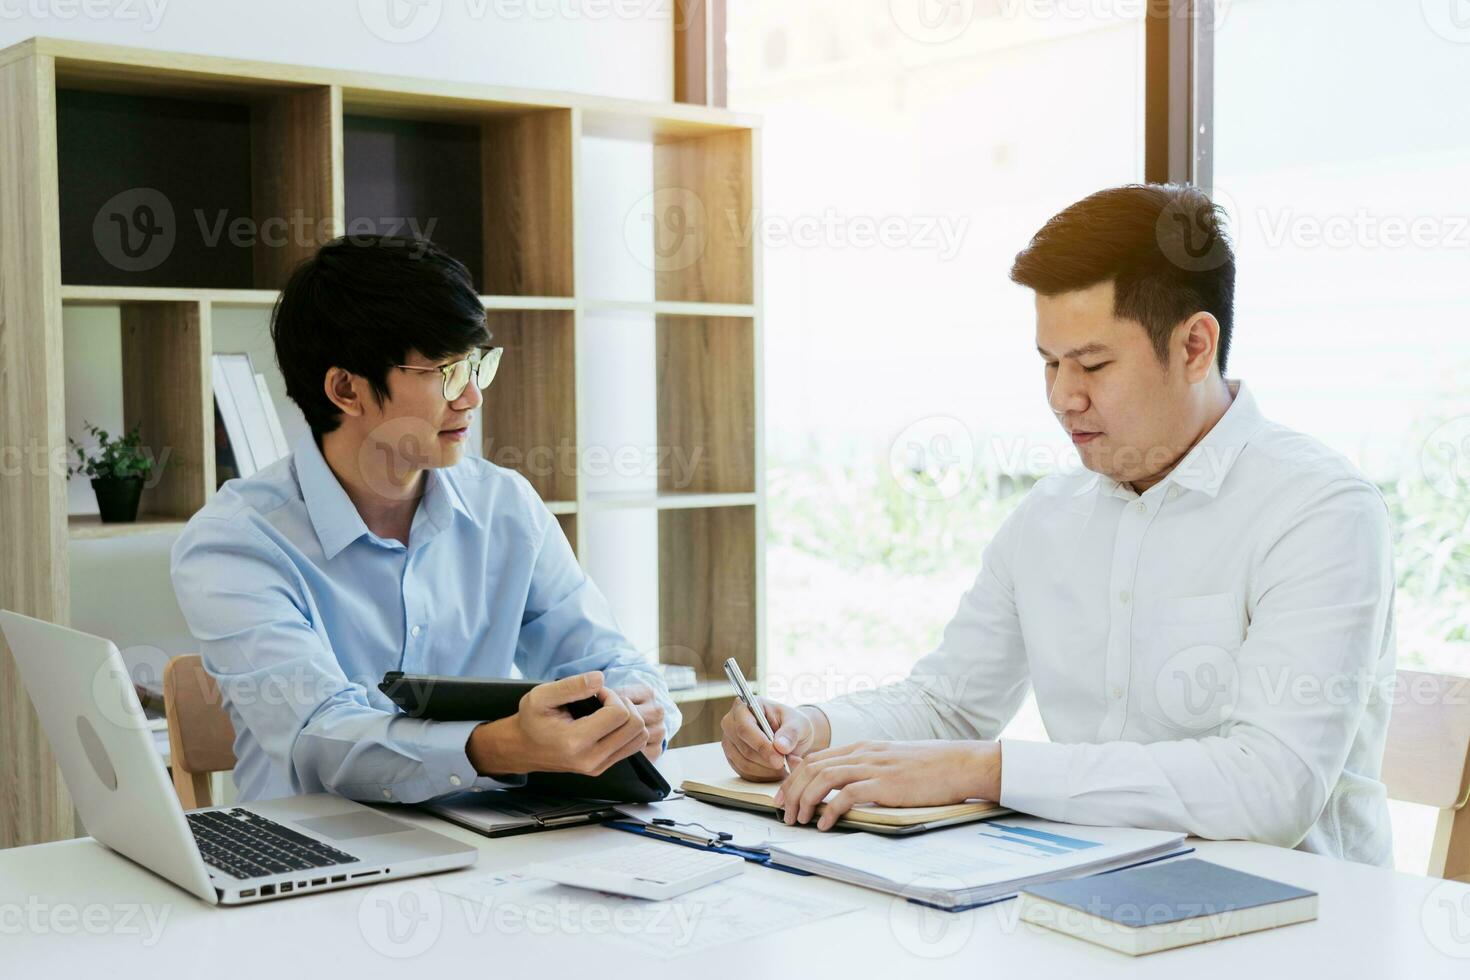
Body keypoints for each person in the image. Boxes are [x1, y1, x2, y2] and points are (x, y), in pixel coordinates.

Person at [722, 184, 1396, 866]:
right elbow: (949, 706)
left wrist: (988, 771)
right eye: (1049, 362)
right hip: (1084, 887)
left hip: (1293, 922)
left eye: (1094, 365)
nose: (1062, 397)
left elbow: (1270, 790)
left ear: (1195, 346)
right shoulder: (1051, 516)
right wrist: (813, 730)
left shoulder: (1320, 510)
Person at [172, 235, 678, 804]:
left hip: (497, 845)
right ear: (346, 389)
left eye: (476, 368)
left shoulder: (504, 506)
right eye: (446, 374)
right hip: (322, 859)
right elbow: (320, 739)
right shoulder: (236, 543)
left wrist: (640, 706)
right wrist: (500, 746)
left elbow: (606, 659)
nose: (471, 400)